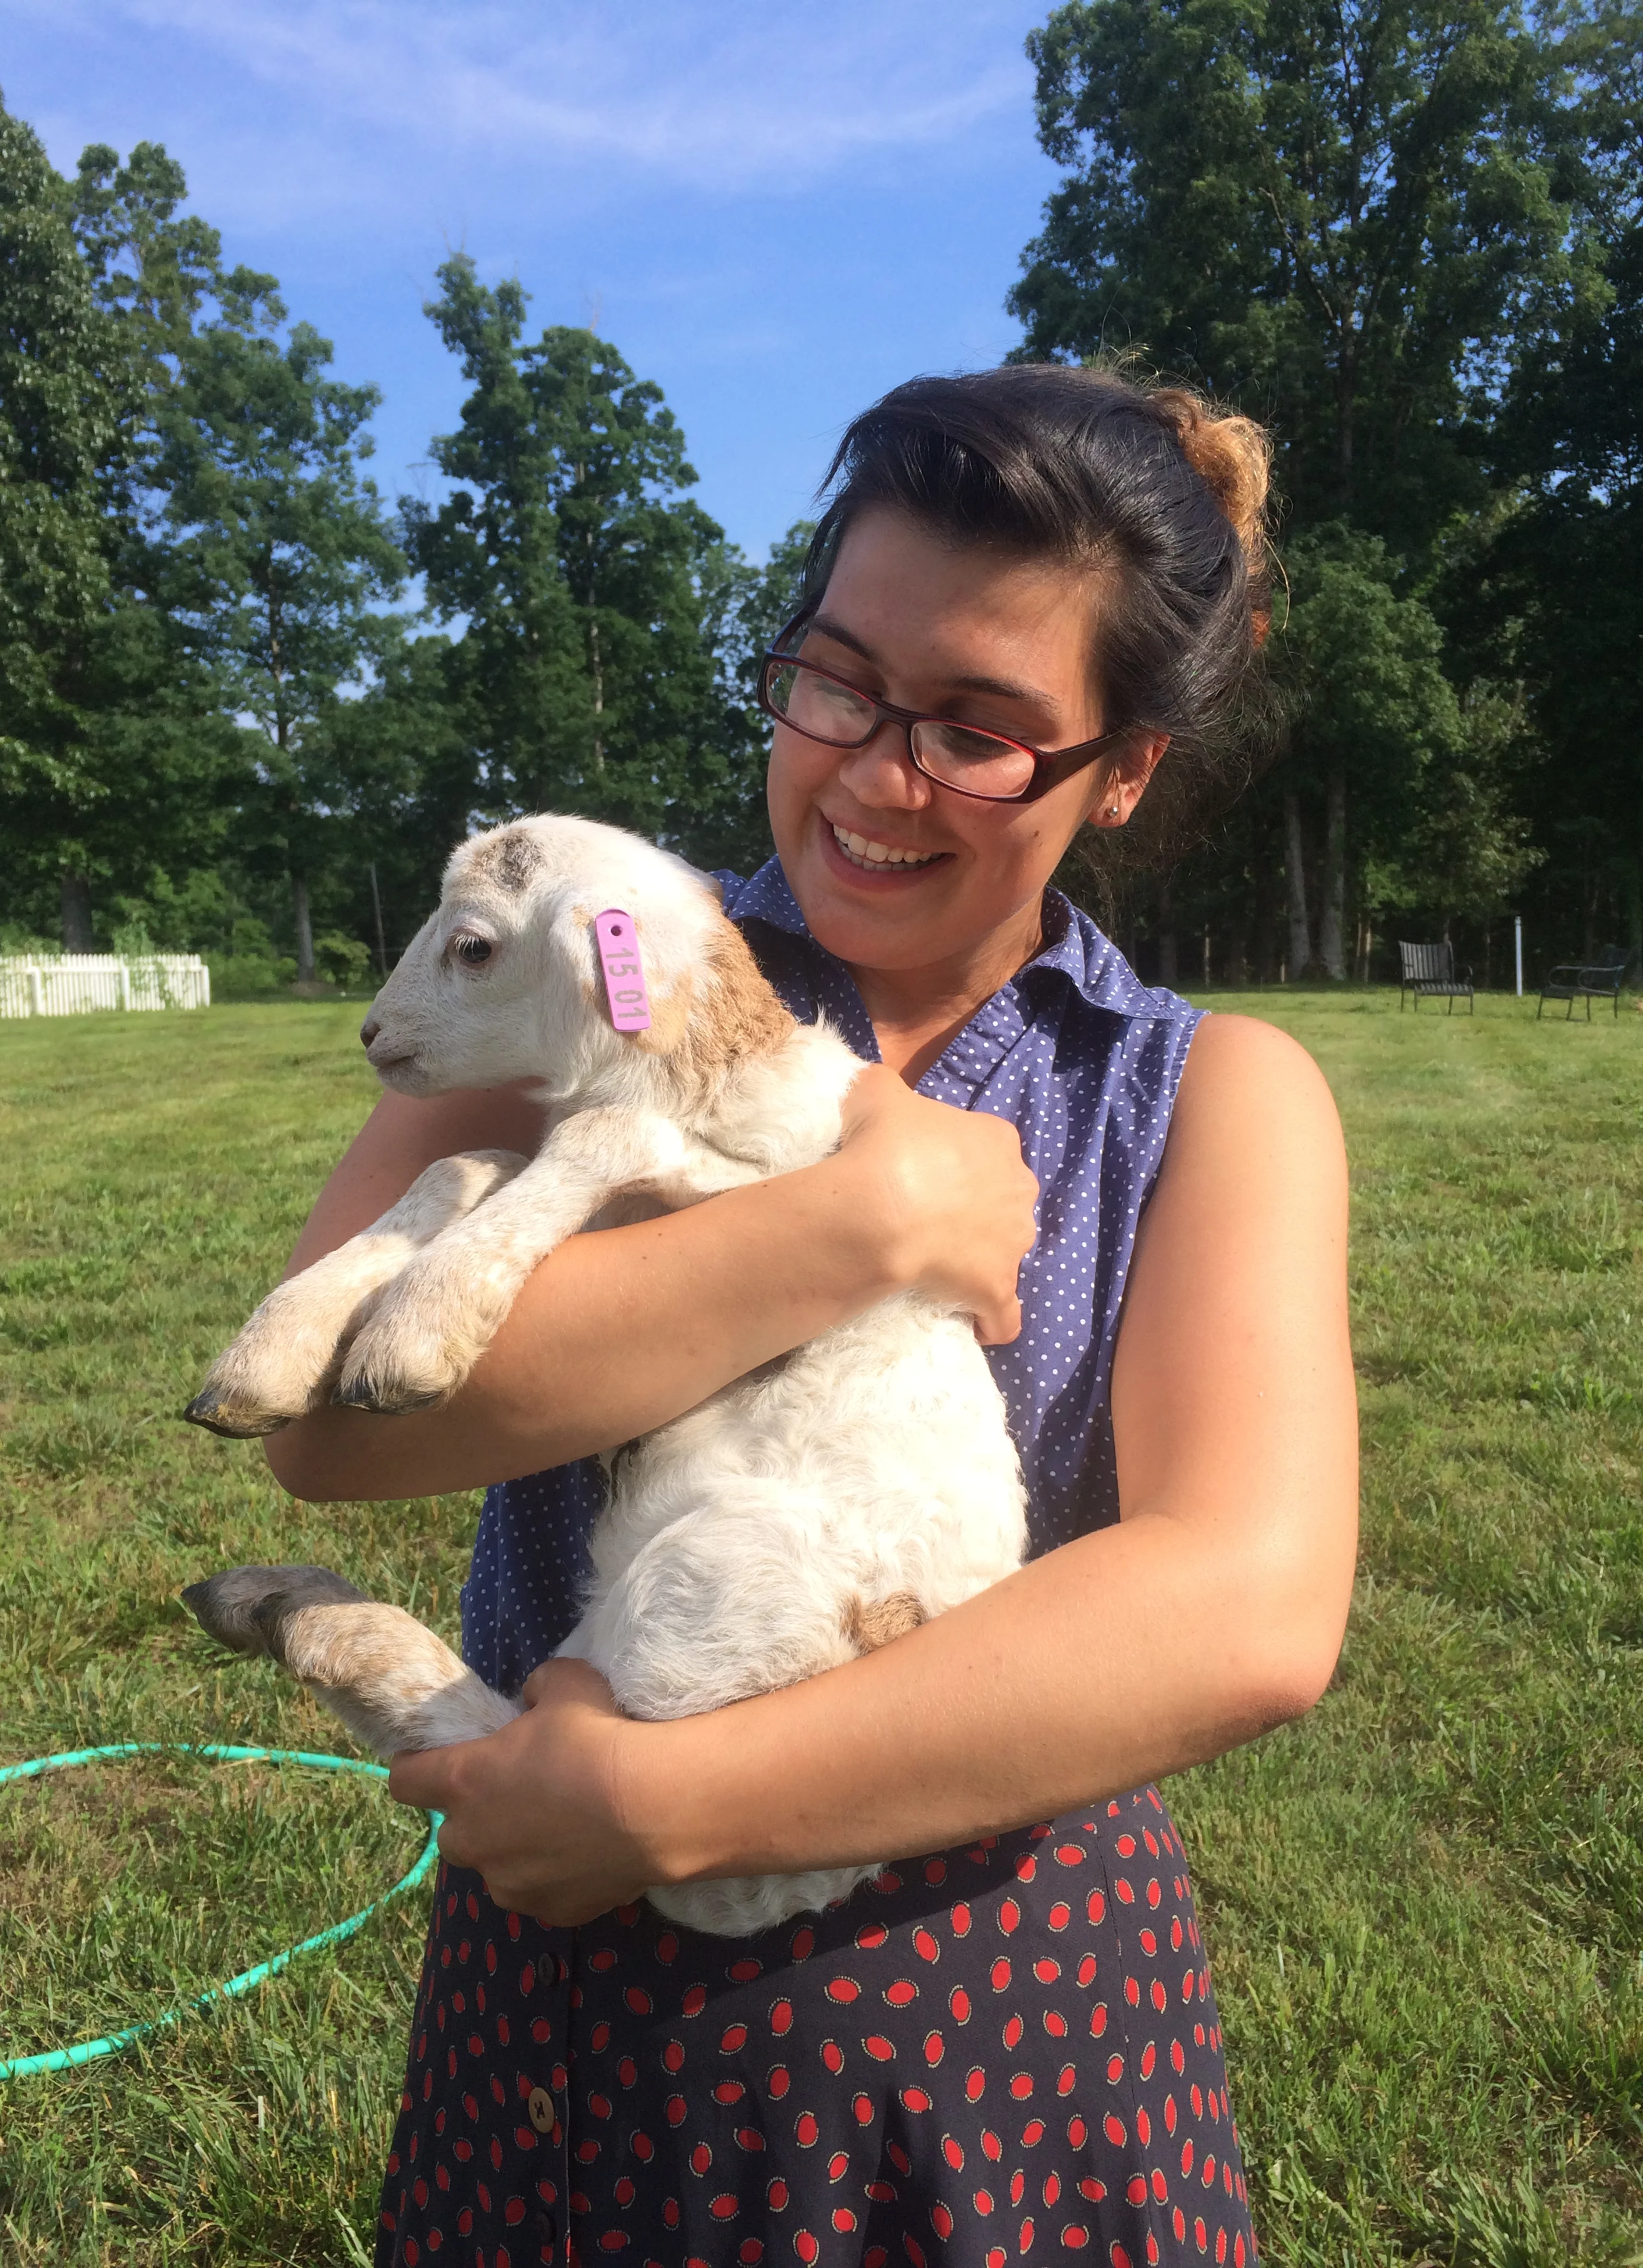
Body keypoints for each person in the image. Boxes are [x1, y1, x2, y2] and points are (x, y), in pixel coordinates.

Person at [267, 364, 1356, 2268]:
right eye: (838, 678)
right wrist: (855, 1229)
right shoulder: (568, 979)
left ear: (1126, 771)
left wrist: (658, 1799)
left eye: (980, 730)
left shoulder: (1208, 1094)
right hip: (580, 1993)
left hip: (998, 2009)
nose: (870, 770)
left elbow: (1245, 1607)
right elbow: (336, 1426)